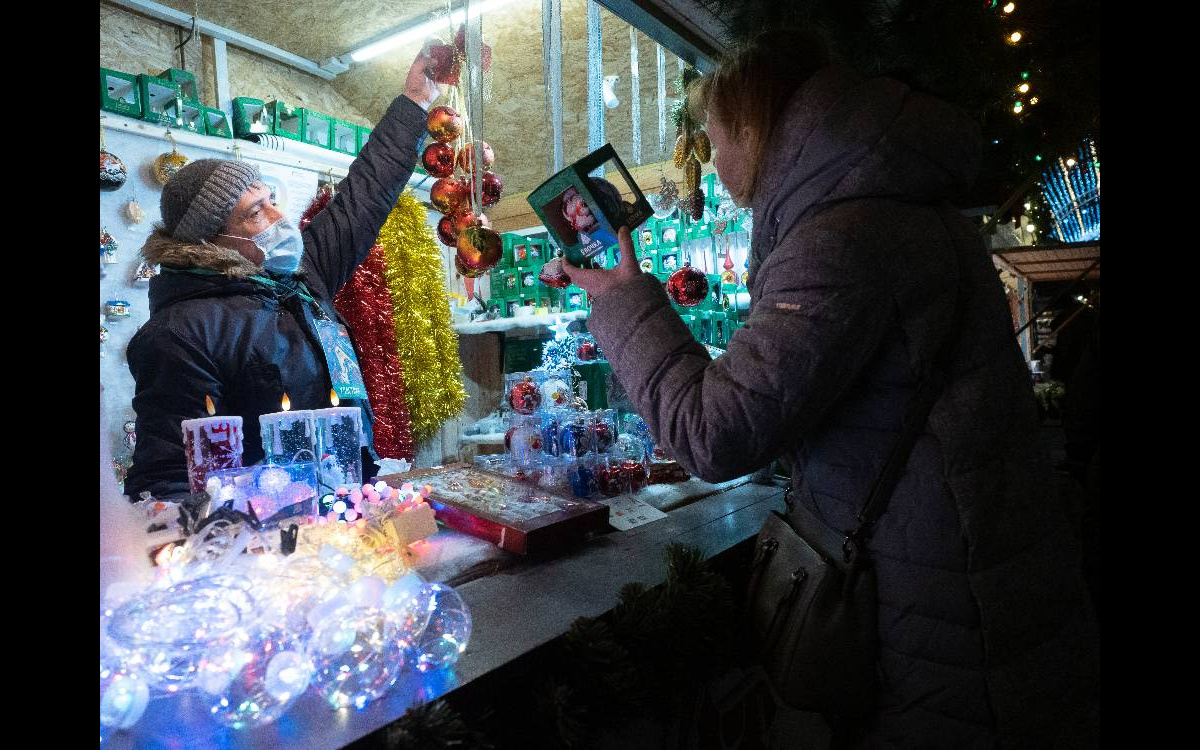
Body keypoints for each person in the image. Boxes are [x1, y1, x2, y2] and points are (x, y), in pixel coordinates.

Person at [566, 32, 1098, 748]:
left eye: (717, 140)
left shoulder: (839, 241)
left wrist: (626, 298)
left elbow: (712, 433)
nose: (714, 164)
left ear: (756, 130)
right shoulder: (898, 206)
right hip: (980, 580)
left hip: (942, 613)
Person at [123, 52, 440, 500]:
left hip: (348, 515)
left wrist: (415, 103)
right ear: (211, 241)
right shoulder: (179, 334)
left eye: (271, 199)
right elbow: (171, 480)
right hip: (272, 545)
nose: (279, 217)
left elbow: (364, 197)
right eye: (256, 212)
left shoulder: (300, 279)